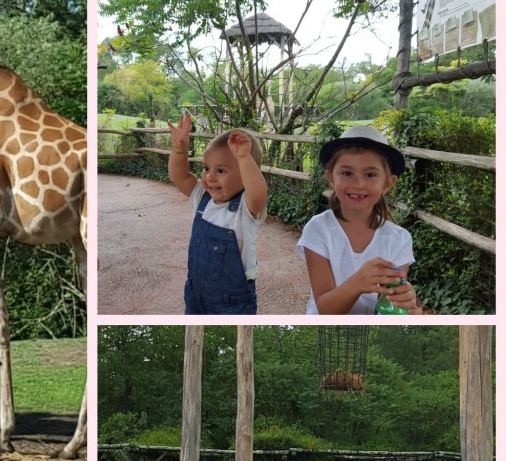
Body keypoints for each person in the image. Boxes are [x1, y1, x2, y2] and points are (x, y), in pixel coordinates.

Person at [297, 124, 418, 314]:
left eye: (370, 175)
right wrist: (358, 283)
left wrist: (405, 304)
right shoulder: (318, 229)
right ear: (330, 177)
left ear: (388, 183)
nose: (358, 184)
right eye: (347, 173)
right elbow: (326, 309)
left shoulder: (399, 239)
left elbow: (387, 307)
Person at [167, 113, 268, 314]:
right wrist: (179, 149)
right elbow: (179, 177)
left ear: (246, 175)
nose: (210, 177)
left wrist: (244, 158)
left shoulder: (245, 209)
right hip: (196, 292)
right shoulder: (201, 197)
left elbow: (258, 192)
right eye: (206, 168)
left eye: (221, 171)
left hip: (231, 300)